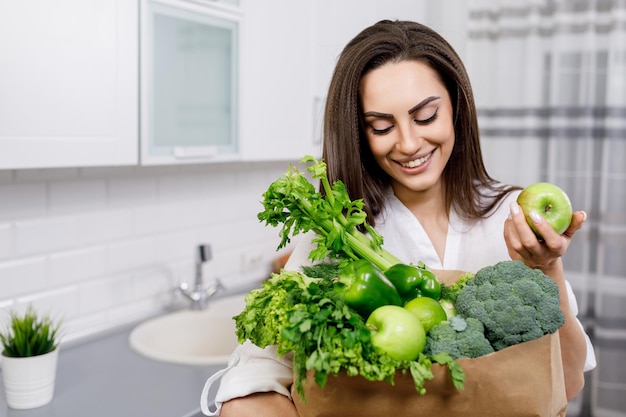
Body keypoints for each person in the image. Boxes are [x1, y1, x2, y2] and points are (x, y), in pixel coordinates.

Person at [201, 19, 596, 417]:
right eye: (382, 126)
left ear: (456, 108)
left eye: (425, 117)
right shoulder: (340, 232)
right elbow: (254, 377)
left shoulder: (511, 216)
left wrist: (548, 269)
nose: (408, 144)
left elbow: (569, 380)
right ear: (359, 132)